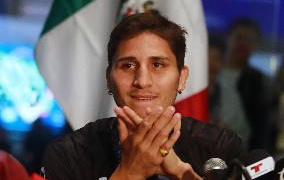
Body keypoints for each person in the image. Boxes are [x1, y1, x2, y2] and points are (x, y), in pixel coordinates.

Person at [42, 12, 246, 180]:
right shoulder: (69, 155)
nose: (142, 80)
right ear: (108, 79)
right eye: (128, 65)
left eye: (157, 65)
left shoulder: (219, 148)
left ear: (182, 78)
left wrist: (181, 172)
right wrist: (130, 173)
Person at [218, 18, 270, 149]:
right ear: (227, 38)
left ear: (257, 45)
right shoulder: (210, 71)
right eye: (239, 37)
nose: (243, 44)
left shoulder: (260, 81)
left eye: (250, 40)